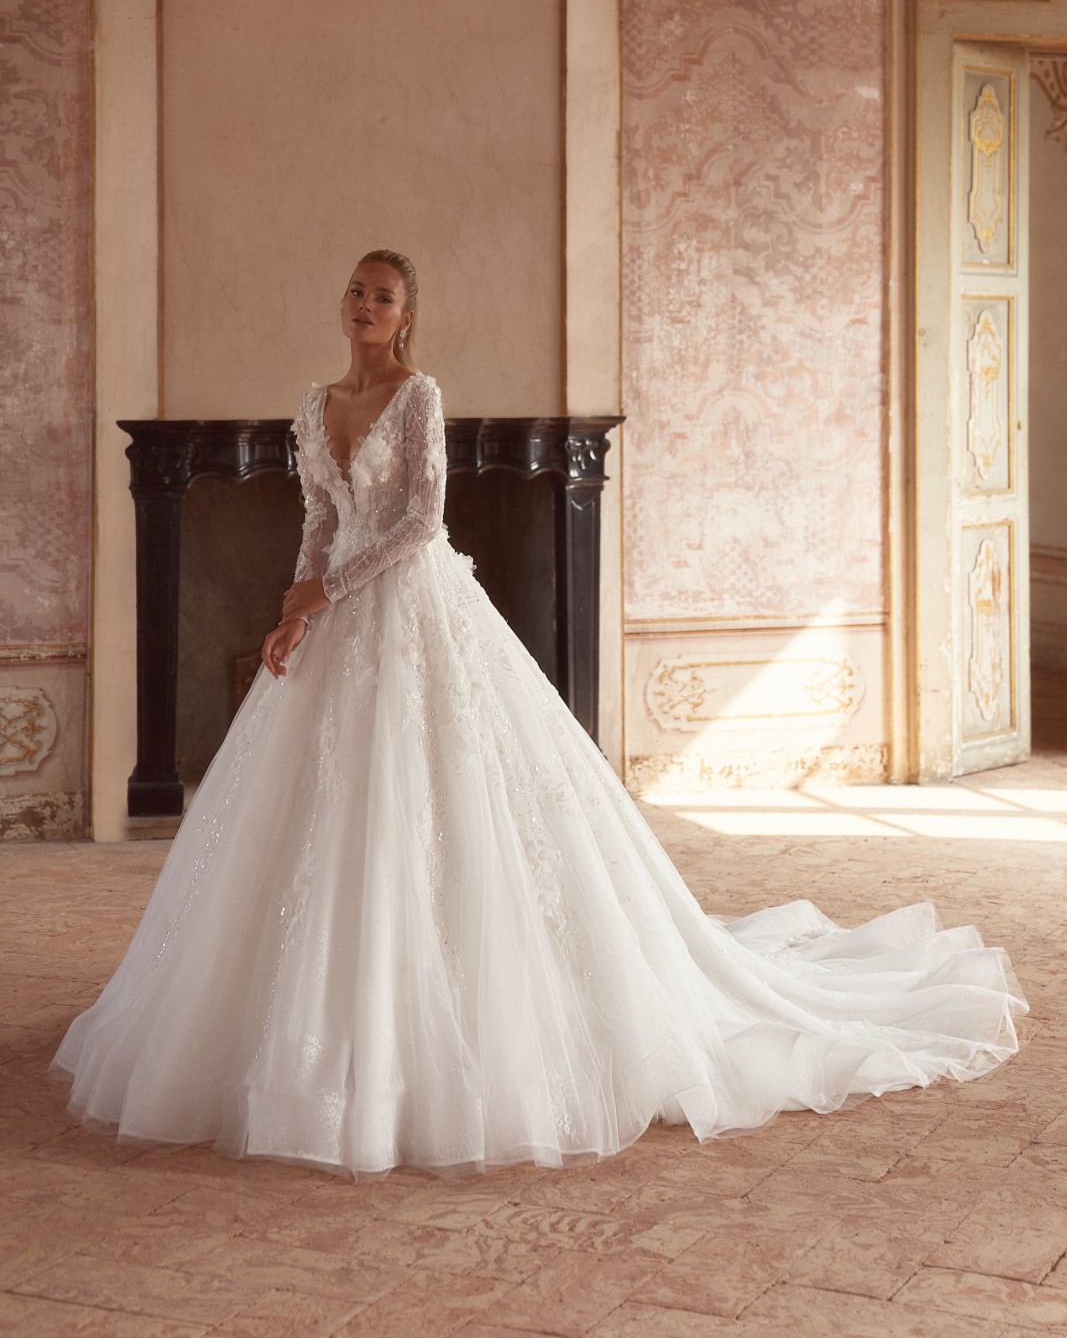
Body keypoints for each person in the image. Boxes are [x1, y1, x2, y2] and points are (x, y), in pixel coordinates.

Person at [51, 250, 1027, 1179]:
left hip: (415, 613)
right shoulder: (315, 405)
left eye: (383, 296)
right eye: (356, 290)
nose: (364, 306)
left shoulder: (416, 396)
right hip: (336, 621)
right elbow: (315, 517)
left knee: (446, 811)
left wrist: (328, 593)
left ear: (407, 316)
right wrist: (289, 610)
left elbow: (421, 522)